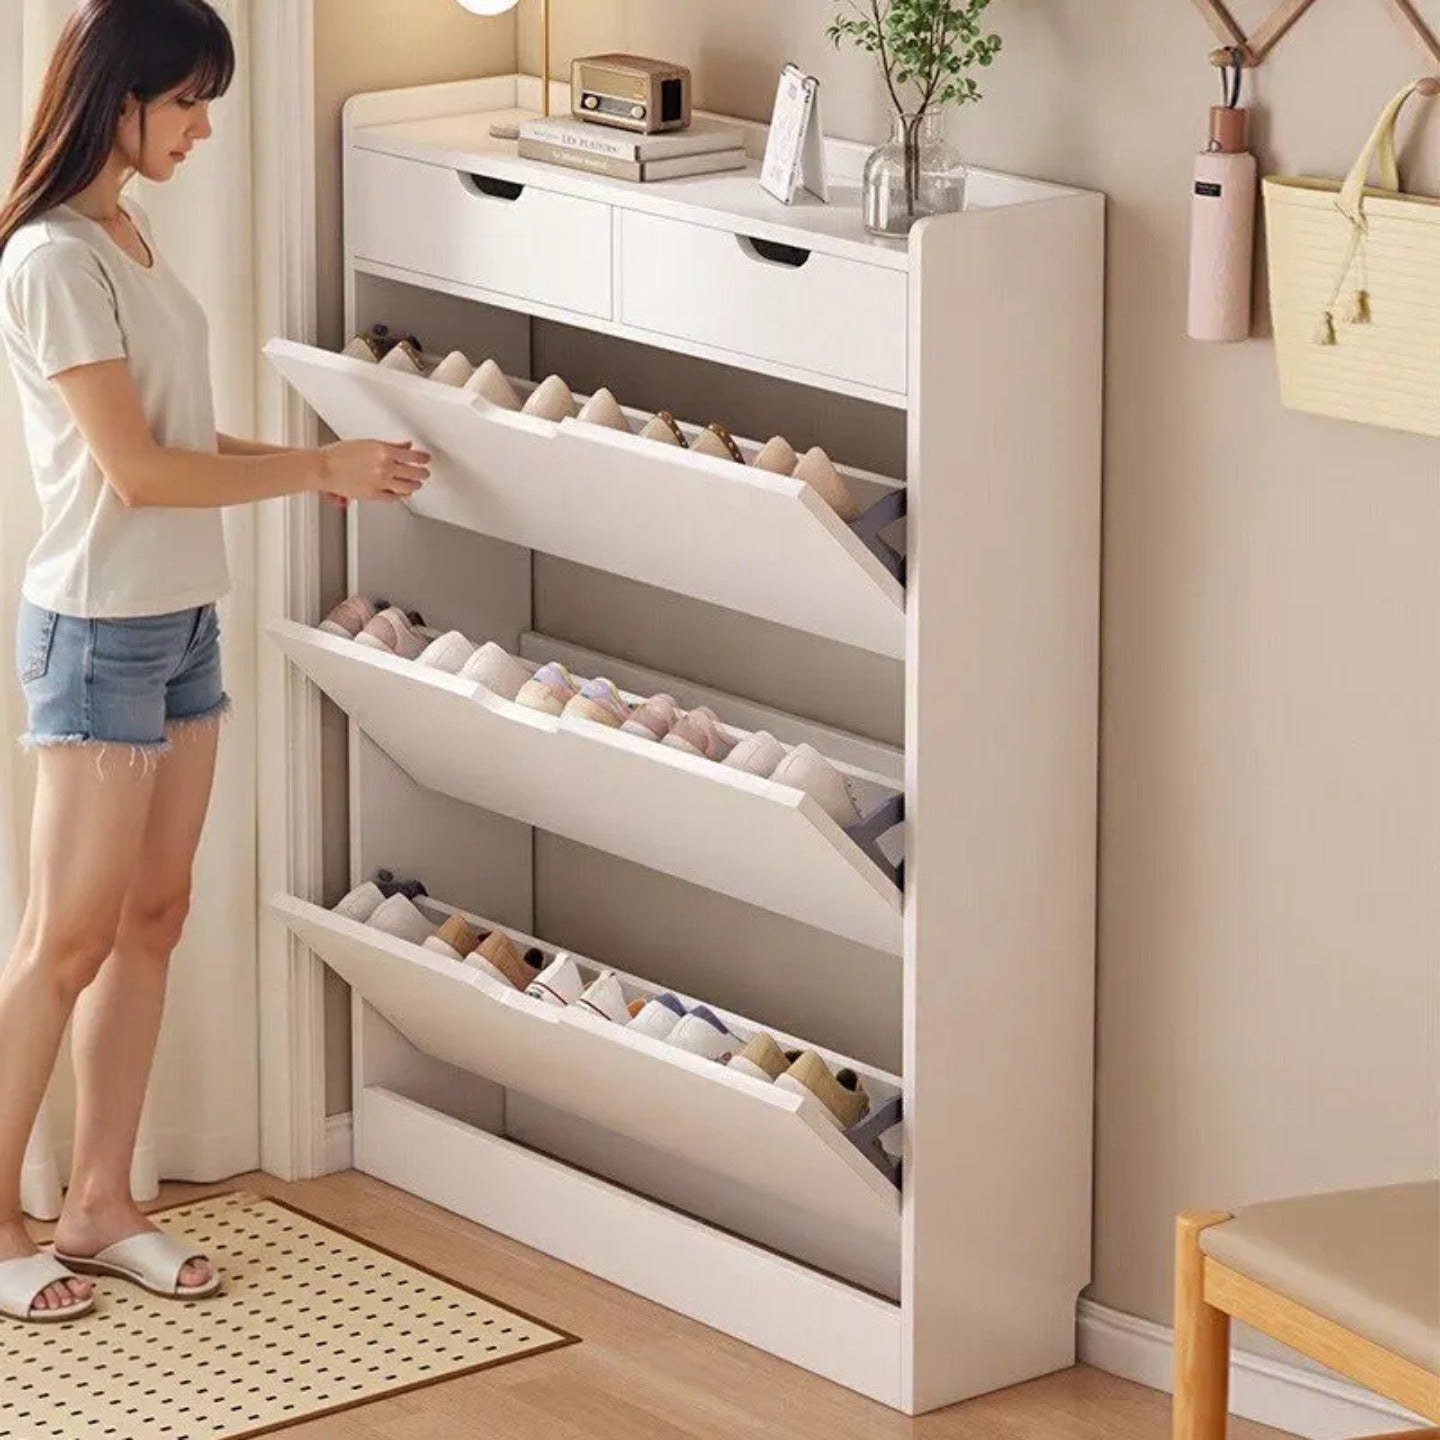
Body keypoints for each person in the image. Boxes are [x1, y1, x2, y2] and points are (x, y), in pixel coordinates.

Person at [0, 0, 428, 1323]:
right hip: (97, 630)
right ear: (117, 97)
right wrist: (313, 469)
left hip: (181, 618)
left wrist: (325, 464)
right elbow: (131, 475)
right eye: (186, 100)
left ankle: (100, 1202)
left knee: (155, 916)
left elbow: (181, 437)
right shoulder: (54, 259)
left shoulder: (128, 231)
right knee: (63, 939)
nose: (203, 126)